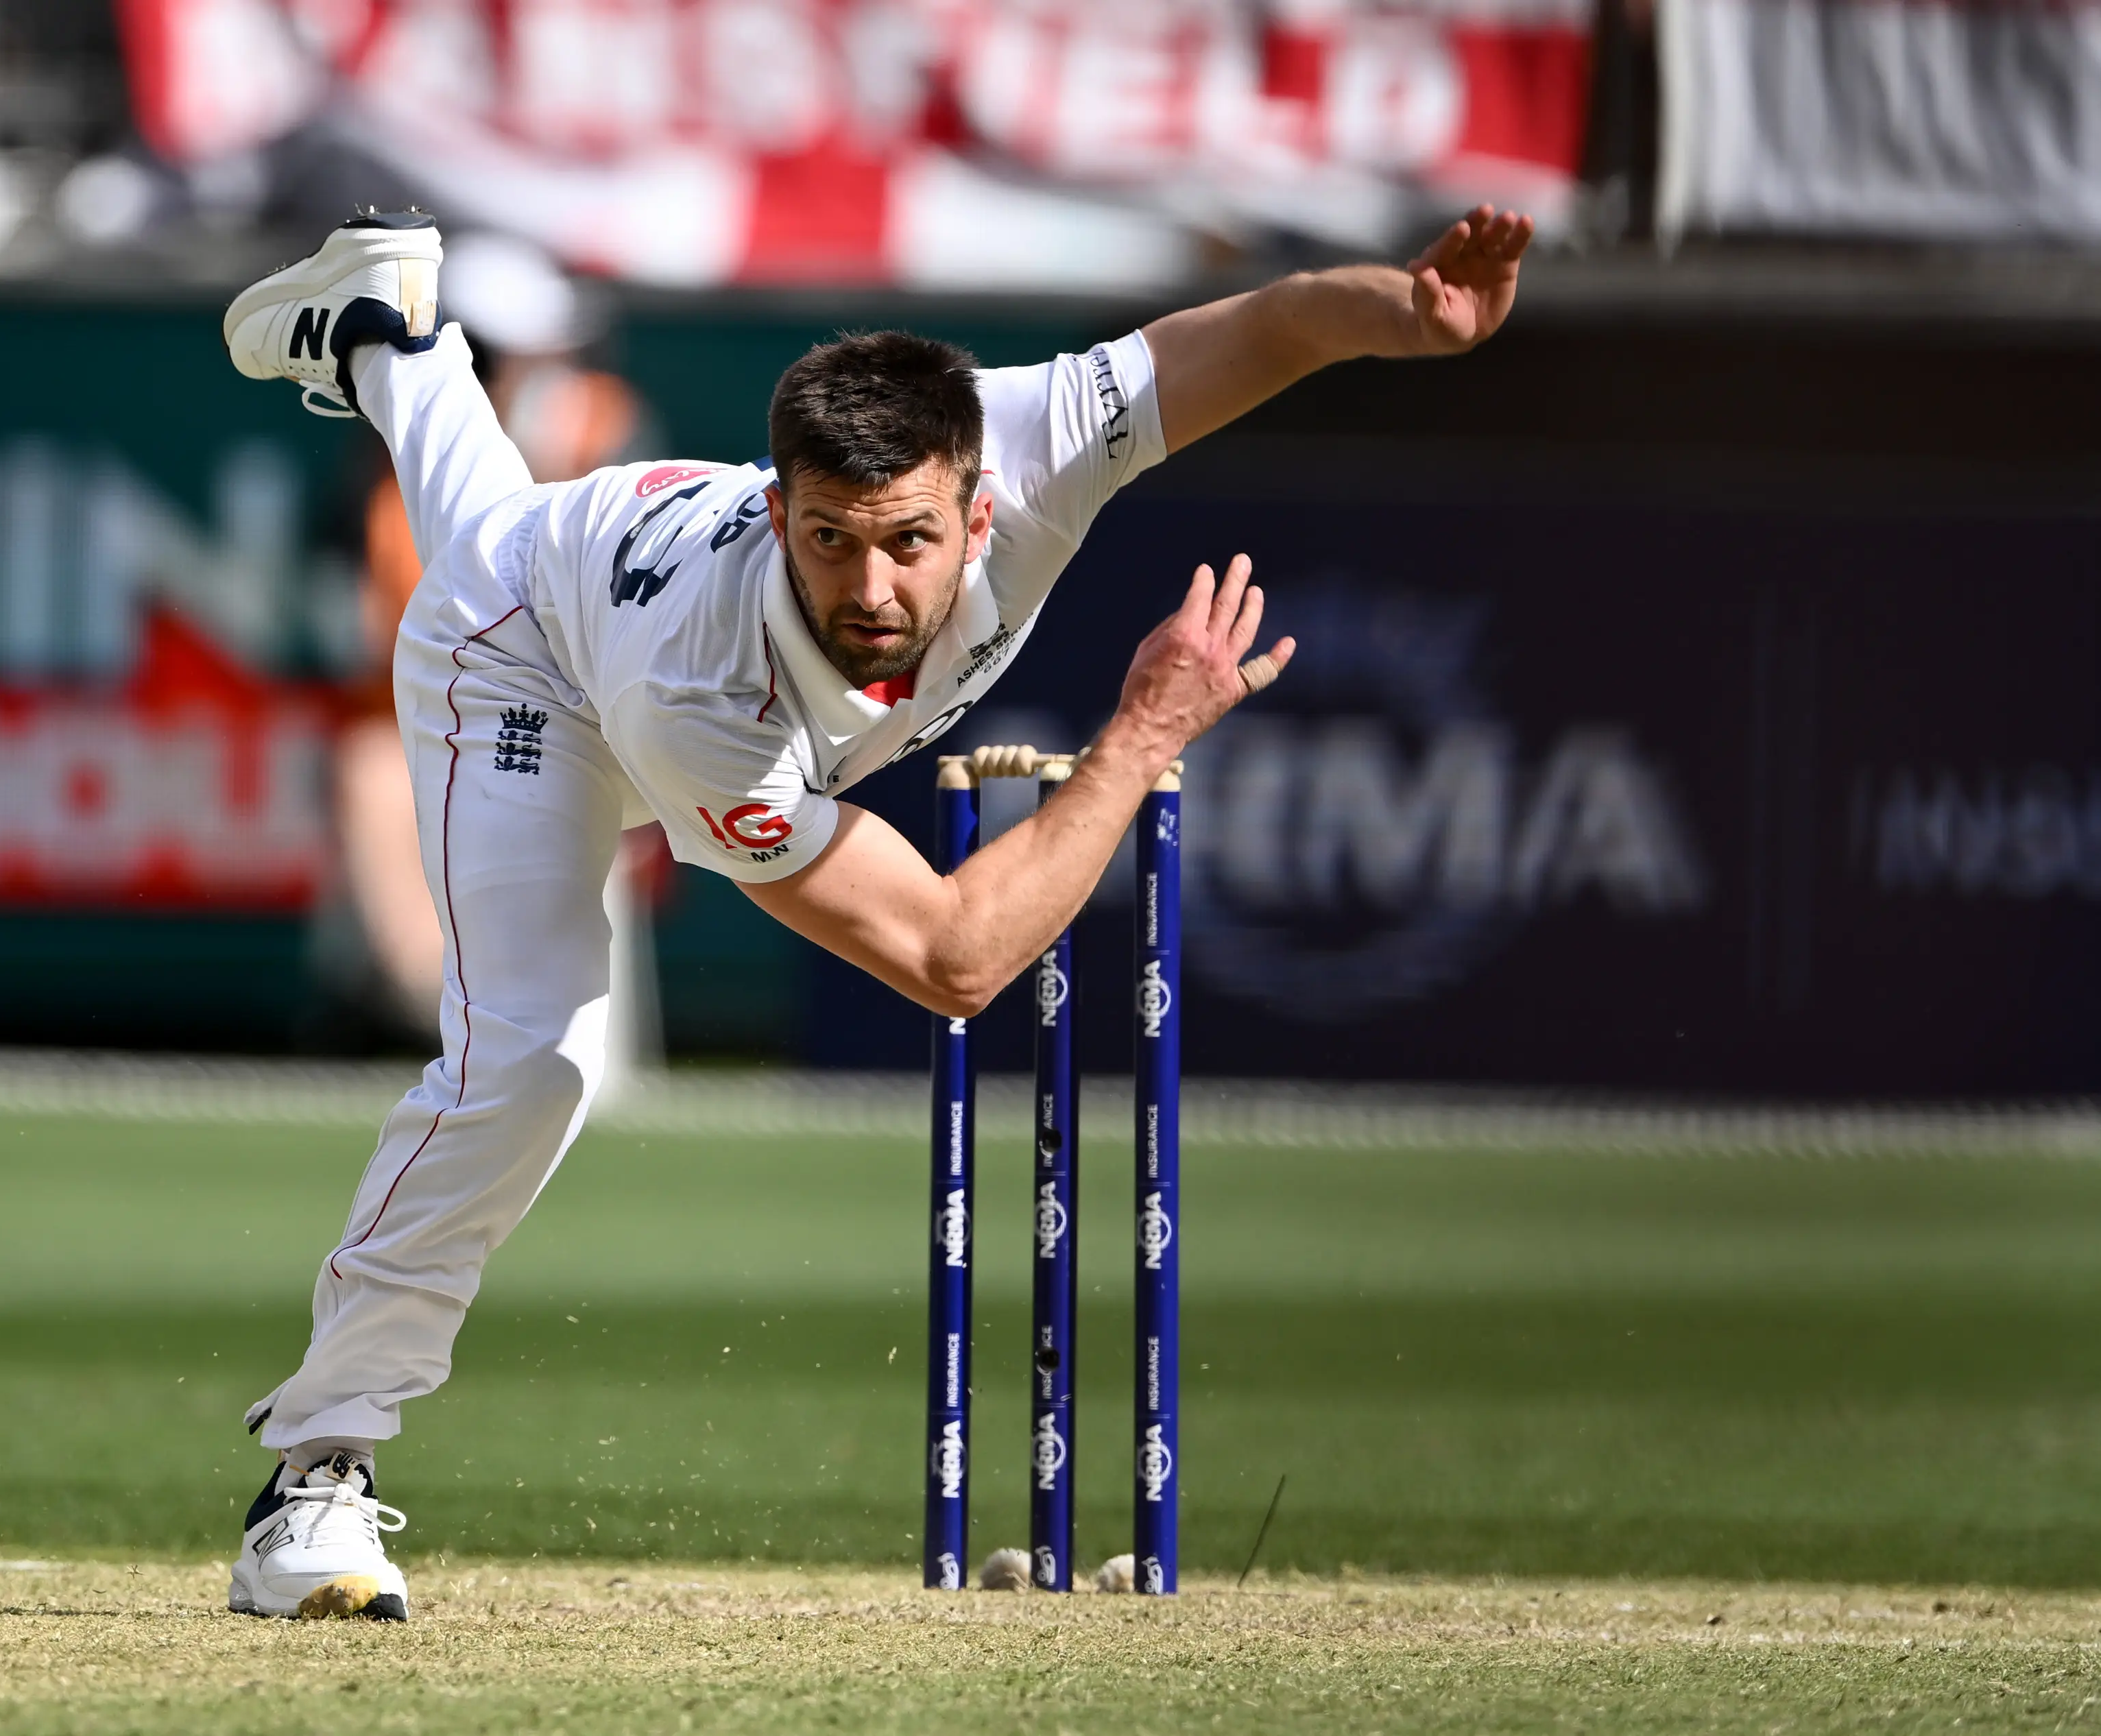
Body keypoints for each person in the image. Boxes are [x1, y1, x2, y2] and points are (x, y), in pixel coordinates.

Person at [219, 204, 1534, 1619]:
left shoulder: (1037, 439)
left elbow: (1272, 326)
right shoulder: (701, 699)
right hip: (531, 668)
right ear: (778, 508)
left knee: (499, 525)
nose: (870, 588)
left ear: (981, 506)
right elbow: (950, 958)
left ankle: (398, 337)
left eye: (909, 541)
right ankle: (314, 1476)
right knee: (529, 1060)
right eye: (830, 540)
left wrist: (1400, 315)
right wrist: (1139, 740)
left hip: (579, 550)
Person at [332, 232, 664, 1052]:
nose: (551, 364)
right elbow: (382, 634)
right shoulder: (395, 461)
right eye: (525, 350)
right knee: (372, 765)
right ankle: (436, 997)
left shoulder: (598, 431)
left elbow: (637, 613)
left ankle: (504, 1009)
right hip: (457, 708)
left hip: (593, 715)